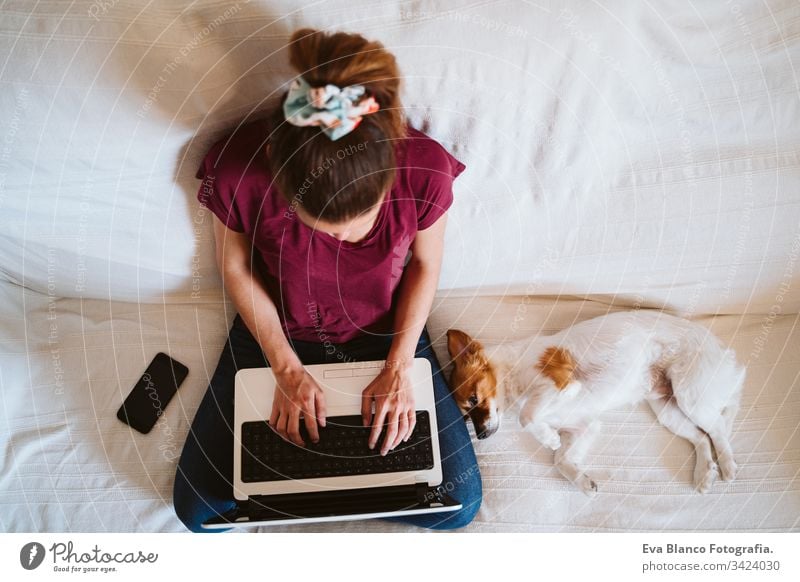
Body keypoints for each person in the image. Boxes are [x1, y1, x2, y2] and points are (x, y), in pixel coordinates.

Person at [173, 27, 481, 532]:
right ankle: (317, 490)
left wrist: (399, 365)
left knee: (458, 506)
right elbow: (234, 267)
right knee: (200, 513)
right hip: (275, 331)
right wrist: (285, 368)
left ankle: (324, 492)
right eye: (327, 230)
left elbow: (425, 264)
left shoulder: (425, 169)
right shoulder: (239, 170)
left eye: (360, 226)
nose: (343, 243)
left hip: (388, 333)